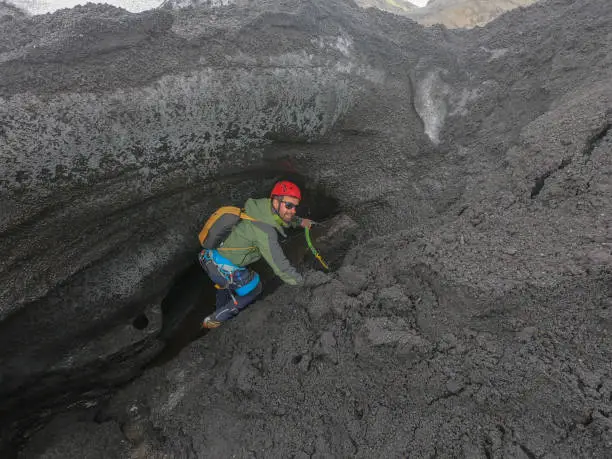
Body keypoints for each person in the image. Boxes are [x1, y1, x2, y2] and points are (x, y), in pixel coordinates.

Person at [199, 180, 313, 329]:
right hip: (222, 266)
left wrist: (300, 222)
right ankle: (216, 319)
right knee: (255, 287)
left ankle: (219, 308)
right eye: (289, 205)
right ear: (276, 201)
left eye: (295, 207)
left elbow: (282, 218)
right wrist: (302, 283)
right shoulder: (265, 232)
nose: (293, 211)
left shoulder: (261, 208)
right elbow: (280, 266)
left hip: (209, 256)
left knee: (224, 284)